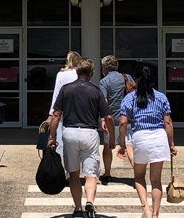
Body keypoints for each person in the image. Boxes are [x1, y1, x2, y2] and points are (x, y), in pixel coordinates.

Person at [47, 59, 113, 218]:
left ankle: (77, 208)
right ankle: (89, 201)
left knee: (74, 174)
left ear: (77, 72)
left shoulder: (66, 89)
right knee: (91, 174)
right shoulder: (96, 91)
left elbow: (56, 115)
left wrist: (51, 136)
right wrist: (111, 137)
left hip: (69, 132)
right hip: (89, 133)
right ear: (91, 73)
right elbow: (108, 117)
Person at [117, 64, 175, 218]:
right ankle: (156, 214)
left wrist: (122, 144)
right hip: (158, 136)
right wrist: (172, 144)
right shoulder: (161, 97)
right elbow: (167, 123)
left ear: (136, 80)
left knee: (139, 177)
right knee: (156, 180)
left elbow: (123, 122)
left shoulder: (129, 98)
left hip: (140, 137)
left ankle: (146, 208)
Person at [97, 55, 133, 183]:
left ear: (105, 67)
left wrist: (103, 119)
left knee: (107, 146)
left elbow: (104, 101)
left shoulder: (104, 82)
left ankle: (107, 173)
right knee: (129, 145)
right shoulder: (127, 77)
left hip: (111, 119)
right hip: (127, 118)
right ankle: (138, 173)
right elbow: (134, 94)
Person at [47, 50, 81, 155]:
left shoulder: (62, 74)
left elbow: (56, 94)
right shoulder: (81, 74)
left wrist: (51, 114)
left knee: (61, 137)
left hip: (64, 108)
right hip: (79, 108)